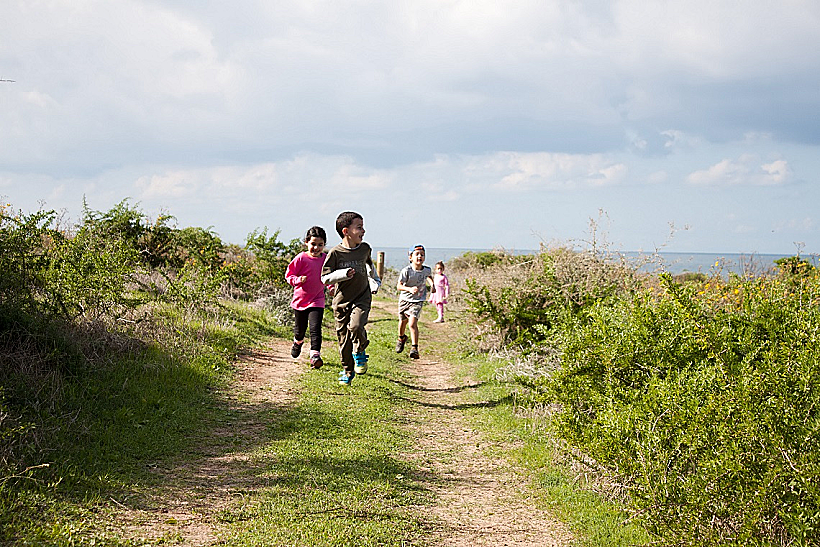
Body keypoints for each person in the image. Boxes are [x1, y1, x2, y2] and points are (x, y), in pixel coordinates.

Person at [321, 211, 381, 385]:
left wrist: (374, 281)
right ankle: (347, 370)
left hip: (362, 295)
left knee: (356, 326)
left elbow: (369, 265)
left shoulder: (365, 248)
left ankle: (360, 351)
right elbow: (324, 278)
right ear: (346, 231)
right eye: (359, 227)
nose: (364, 231)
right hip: (341, 300)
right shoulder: (335, 253)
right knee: (344, 338)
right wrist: (342, 274)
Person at [285, 226, 329, 369]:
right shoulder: (301, 258)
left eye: (320, 245)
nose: (316, 248)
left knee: (315, 328)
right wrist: (298, 280)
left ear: (324, 245)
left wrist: (331, 288)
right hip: (300, 300)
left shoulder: (325, 259)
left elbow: (328, 277)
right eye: (313, 244)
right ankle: (298, 342)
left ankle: (315, 356)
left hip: (317, 299)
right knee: (300, 330)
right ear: (306, 243)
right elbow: (289, 275)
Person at [396, 244, 435, 359]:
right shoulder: (406, 271)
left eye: (422, 255)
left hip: (418, 300)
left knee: (412, 323)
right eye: (417, 254)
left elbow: (428, 276)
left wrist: (432, 285)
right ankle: (401, 338)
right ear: (410, 257)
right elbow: (399, 286)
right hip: (405, 299)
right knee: (403, 322)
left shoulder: (427, 269)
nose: (420, 257)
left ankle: (414, 348)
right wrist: (409, 289)